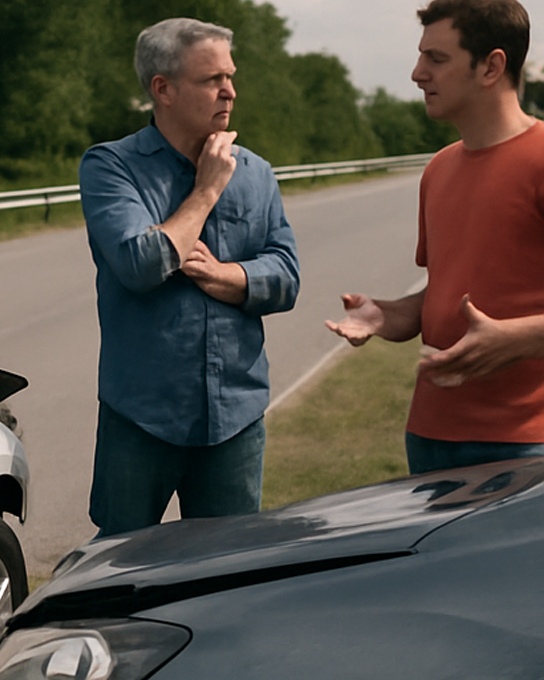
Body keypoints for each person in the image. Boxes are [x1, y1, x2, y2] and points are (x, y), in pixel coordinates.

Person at [80, 17, 300, 537]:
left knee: (228, 573)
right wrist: (205, 192)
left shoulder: (257, 172)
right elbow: (140, 264)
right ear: (164, 89)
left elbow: (286, 276)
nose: (230, 91)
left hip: (235, 419)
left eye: (230, 76)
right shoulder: (111, 167)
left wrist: (228, 276)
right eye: (212, 80)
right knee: (121, 570)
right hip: (141, 416)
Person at [326, 0, 544, 475]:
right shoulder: (438, 168)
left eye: (436, 59)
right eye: (421, 55)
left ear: (492, 66)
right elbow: (449, 288)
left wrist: (520, 337)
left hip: (526, 443)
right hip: (429, 436)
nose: (416, 73)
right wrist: (389, 314)